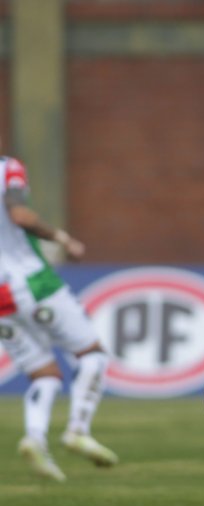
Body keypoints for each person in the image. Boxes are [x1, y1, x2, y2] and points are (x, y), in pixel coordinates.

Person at [0, 148, 117, 482]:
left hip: (0, 301)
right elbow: (20, 215)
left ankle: (35, 437)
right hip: (32, 283)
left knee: (45, 374)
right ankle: (77, 429)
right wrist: (62, 238)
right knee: (91, 353)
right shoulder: (8, 168)